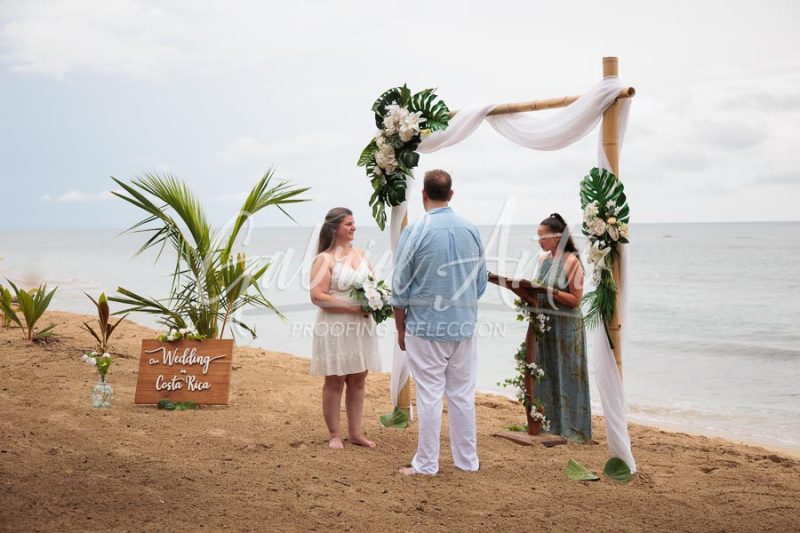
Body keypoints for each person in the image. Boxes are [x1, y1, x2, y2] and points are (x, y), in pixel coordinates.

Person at [390, 169, 487, 475]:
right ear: (451, 194)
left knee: (430, 395)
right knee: (462, 395)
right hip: (463, 325)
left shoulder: (414, 232)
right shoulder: (471, 230)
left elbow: (399, 289)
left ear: (423, 194)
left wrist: (400, 328)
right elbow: (480, 284)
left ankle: (427, 464)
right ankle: (467, 461)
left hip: (425, 326)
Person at [310, 207, 381, 449]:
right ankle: (334, 434)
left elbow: (374, 287)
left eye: (354, 223)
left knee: (359, 378)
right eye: (349, 224)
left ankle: (356, 433)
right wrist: (350, 308)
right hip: (336, 325)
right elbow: (317, 296)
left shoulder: (361, 255)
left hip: (361, 326)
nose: (354, 227)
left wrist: (375, 303)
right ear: (335, 228)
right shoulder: (325, 259)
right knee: (336, 379)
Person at [527, 213, 591, 442]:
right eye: (538, 237)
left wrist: (550, 292)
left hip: (566, 325)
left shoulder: (572, 262)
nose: (540, 241)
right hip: (546, 324)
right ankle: (548, 423)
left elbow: (576, 300)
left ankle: (571, 427)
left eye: (543, 237)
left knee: (568, 373)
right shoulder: (543, 259)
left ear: (557, 238)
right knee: (547, 371)